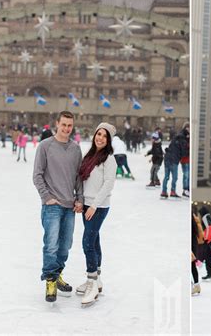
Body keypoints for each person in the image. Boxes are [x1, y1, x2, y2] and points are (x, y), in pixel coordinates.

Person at [33, 111, 84, 303]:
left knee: (65, 246)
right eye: (63, 125)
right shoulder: (45, 146)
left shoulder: (75, 149)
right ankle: (50, 281)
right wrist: (46, 197)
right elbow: (37, 175)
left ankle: (56, 273)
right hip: (52, 205)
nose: (66, 129)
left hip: (70, 206)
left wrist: (79, 198)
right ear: (57, 124)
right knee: (51, 245)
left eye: (69, 125)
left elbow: (79, 177)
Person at [75, 123, 117, 306]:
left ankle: (92, 282)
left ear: (108, 141)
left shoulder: (109, 159)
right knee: (94, 240)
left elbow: (108, 184)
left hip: (98, 207)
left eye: (104, 136)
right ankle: (96, 280)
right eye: (98, 134)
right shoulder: (89, 155)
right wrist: (81, 201)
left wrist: (93, 205)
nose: (100, 138)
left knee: (87, 243)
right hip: (86, 204)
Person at [192, 207, 204, 296]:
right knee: (192, 265)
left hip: (191, 243)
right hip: (194, 242)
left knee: (191, 265)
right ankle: (196, 284)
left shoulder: (192, 220)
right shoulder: (195, 219)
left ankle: (196, 285)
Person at [176, 122, 190, 197]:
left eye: (189, 127)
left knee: (189, 175)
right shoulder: (182, 136)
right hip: (184, 159)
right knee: (186, 175)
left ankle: (188, 189)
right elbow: (182, 147)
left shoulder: (190, 136)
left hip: (190, 159)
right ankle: (185, 189)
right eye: (187, 127)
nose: (189, 129)